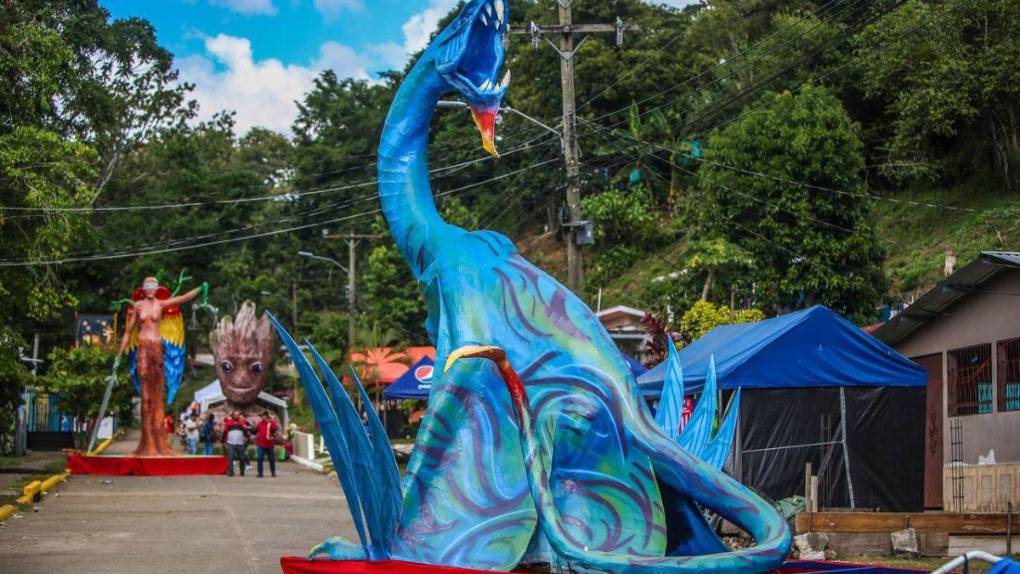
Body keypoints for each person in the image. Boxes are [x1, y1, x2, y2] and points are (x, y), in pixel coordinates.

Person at [115, 276, 206, 456]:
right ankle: (147, 444)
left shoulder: (161, 304)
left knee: (158, 397)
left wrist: (200, 288)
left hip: (157, 349)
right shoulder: (138, 306)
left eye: (153, 286)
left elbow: (183, 298)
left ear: (157, 288)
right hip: (142, 348)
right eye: (147, 286)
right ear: (143, 288)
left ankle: (160, 445)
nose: (150, 289)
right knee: (146, 398)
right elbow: (127, 332)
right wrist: (119, 355)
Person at [222, 410, 249, 476]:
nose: (236, 416)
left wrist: (247, 437)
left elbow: (245, 431)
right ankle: (231, 471)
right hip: (230, 443)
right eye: (235, 415)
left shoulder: (242, 423)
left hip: (240, 443)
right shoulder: (228, 423)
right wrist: (223, 441)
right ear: (232, 415)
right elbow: (225, 432)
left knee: (242, 458)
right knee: (230, 457)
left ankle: (242, 470)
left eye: (237, 415)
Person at [254, 411, 279, 478]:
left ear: (266, 416)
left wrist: (273, 437)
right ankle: (260, 473)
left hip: (269, 444)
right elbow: (255, 431)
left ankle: (273, 472)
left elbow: (276, 431)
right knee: (260, 458)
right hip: (261, 444)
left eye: (263, 416)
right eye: (261, 416)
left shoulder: (271, 423)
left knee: (271, 459)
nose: (262, 417)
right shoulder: (259, 424)